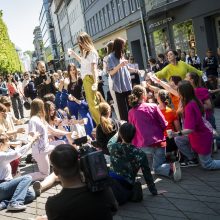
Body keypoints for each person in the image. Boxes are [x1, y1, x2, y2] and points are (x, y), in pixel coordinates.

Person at [42, 144, 118, 220]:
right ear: (79, 164)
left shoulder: (54, 205)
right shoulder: (103, 189)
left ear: (55, 171)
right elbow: (114, 210)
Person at [128, 85, 181, 181]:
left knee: (151, 166)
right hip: (160, 142)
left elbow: (131, 129)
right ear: (144, 95)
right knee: (157, 166)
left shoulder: (131, 112)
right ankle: (170, 167)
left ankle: (166, 168)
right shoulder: (153, 106)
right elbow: (164, 124)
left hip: (144, 145)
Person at [108, 123, 162, 205]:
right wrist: (154, 191)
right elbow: (147, 174)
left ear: (120, 134)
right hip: (127, 184)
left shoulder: (112, 146)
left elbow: (112, 140)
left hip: (111, 181)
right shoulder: (140, 153)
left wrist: (118, 132)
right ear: (134, 135)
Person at [171, 81, 220, 169]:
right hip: (199, 134)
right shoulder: (193, 100)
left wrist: (175, 133)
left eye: (178, 92)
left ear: (183, 93)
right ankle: (193, 159)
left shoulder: (189, 105)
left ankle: (197, 155)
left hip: (201, 136)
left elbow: (190, 129)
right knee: (179, 139)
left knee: (208, 164)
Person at [28, 98, 71, 181]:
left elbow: (53, 130)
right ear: (39, 107)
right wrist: (35, 136)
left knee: (62, 143)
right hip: (40, 151)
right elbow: (31, 134)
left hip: (47, 147)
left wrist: (67, 133)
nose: (44, 108)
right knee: (44, 174)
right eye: (43, 106)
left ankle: (61, 167)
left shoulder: (42, 119)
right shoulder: (33, 120)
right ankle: (24, 178)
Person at [0, 133, 39, 211]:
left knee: (31, 194)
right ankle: (14, 203)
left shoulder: (3, 154)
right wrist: (32, 141)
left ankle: (4, 203)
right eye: (8, 142)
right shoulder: (1, 155)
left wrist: (16, 144)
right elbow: (17, 153)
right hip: (2, 187)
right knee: (27, 177)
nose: (9, 145)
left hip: (5, 188)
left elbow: (14, 151)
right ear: (1, 144)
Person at [68, 32, 100, 125]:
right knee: (92, 104)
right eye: (79, 42)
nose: (80, 44)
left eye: (81, 42)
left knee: (93, 104)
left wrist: (96, 82)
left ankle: (102, 125)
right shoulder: (86, 52)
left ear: (86, 41)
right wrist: (74, 54)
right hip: (86, 79)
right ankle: (101, 125)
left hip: (89, 79)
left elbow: (94, 68)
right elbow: (83, 62)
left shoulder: (92, 52)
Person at [107, 37, 132, 121]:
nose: (124, 47)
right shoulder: (110, 57)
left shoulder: (122, 55)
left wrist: (136, 70)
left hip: (127, 85)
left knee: (131, 107)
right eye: (123, 45)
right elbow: (111, 72)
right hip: (119, 87)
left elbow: (126, 69)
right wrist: (120, 65)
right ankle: (126, 128)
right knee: (123, 111)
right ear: (118, 46)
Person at [103, 41, 120, 120]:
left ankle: (120, 119)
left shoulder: (106, 58)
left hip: (112, 78)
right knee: (119, 99)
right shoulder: (118, 55)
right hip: (119, 77)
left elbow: (105, 70)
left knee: (116, 101)